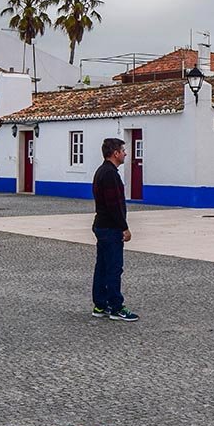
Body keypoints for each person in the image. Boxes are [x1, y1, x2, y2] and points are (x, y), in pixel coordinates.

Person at [90, 137, 138, 322]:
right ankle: (116, 307)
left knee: (102, 266)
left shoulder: (102, 171)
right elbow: (114, 205)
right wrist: (124, 228)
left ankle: (100, 304)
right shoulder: (110, 174)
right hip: (109, 228)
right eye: (123, 150)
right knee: (113, 268)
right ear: (115, 153)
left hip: (101, 225)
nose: (126, 153)